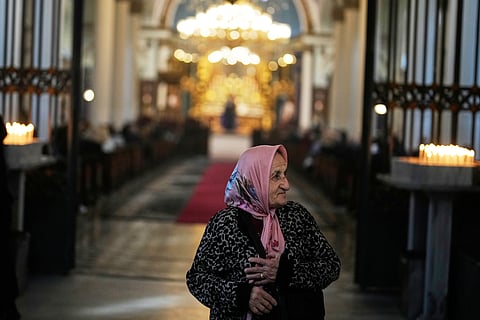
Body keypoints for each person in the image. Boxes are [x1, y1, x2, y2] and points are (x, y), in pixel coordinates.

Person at [186, 144, 341, 319]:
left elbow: (331, 265)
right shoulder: (225, 223)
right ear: (254, 179)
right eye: (276, 176)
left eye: (285, 174)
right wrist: (242, 295)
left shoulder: (298, 216)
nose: (286, 185)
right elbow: (197, 279)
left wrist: (286, 273)